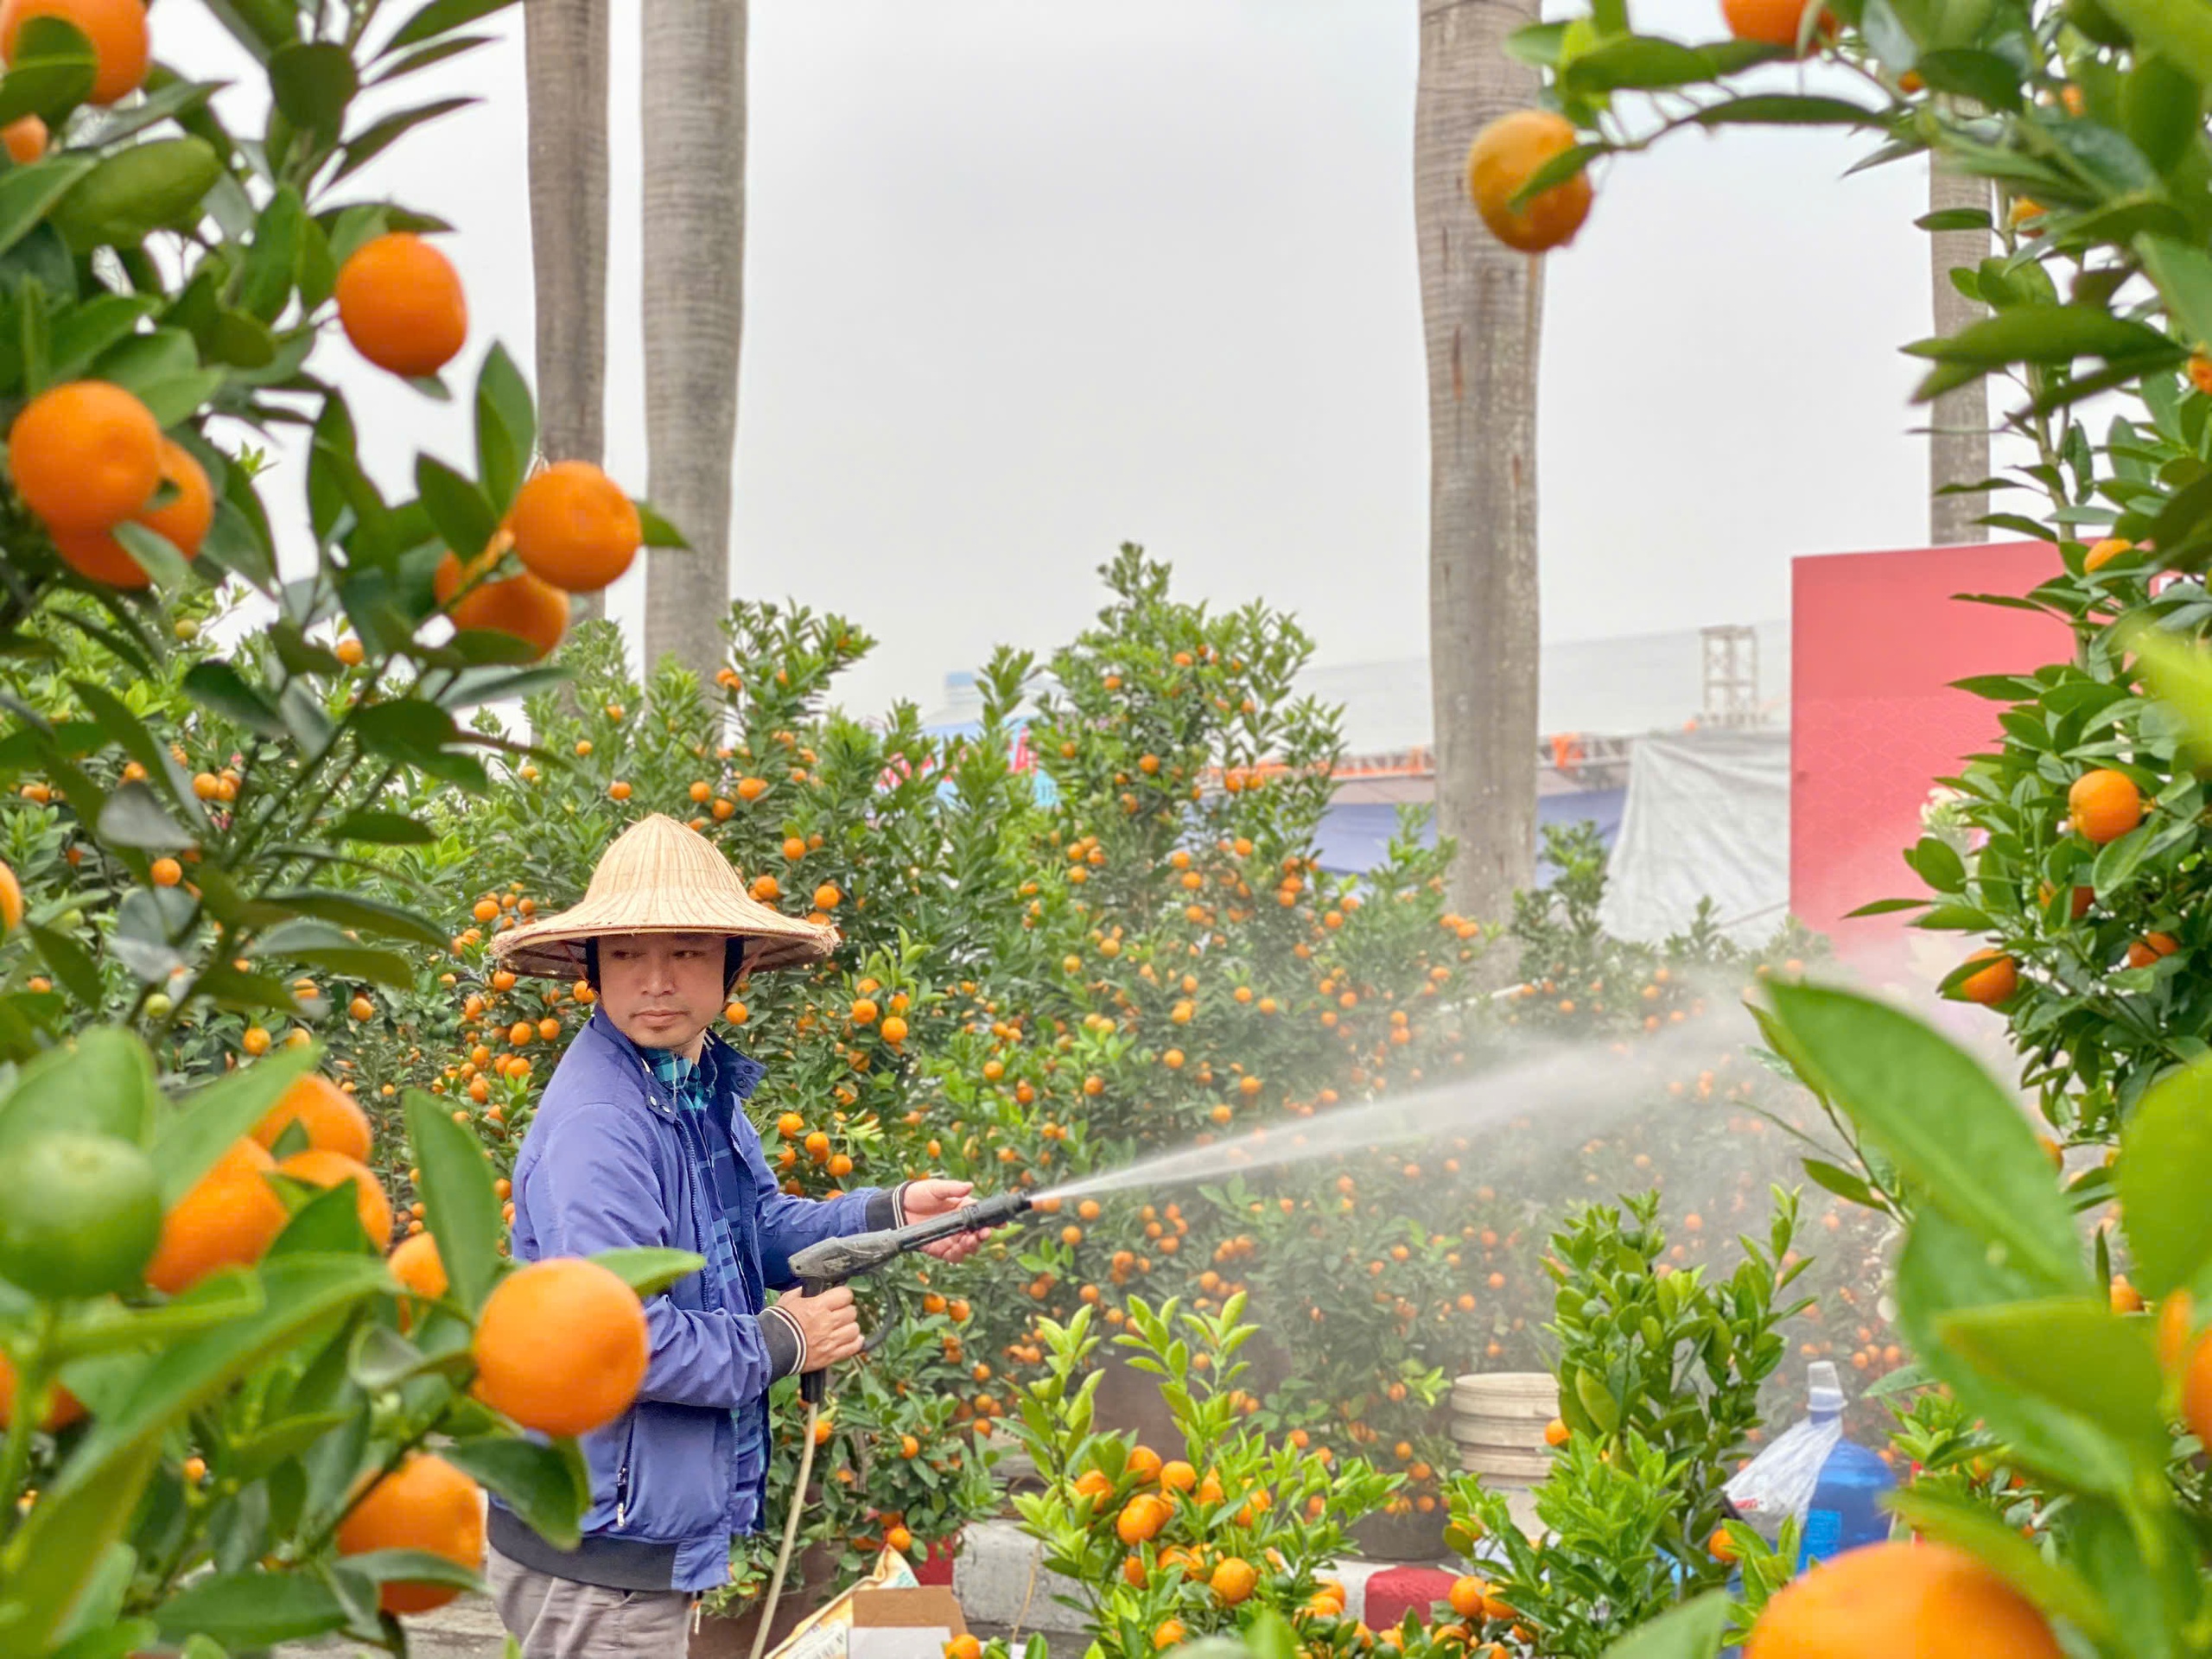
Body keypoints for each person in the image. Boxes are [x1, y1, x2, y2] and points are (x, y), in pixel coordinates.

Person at [480, 814, 987, 1658]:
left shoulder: (688, 1085)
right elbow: (614, 1341)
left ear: (733, 964)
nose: (656, 982)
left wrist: (890, 1216)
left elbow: (753, 1228)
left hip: (633, 1527)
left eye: (684, 951)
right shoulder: (601, 1125)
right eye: (629, 954)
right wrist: (781, 1340)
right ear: (590, 967)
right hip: (602, 1545)